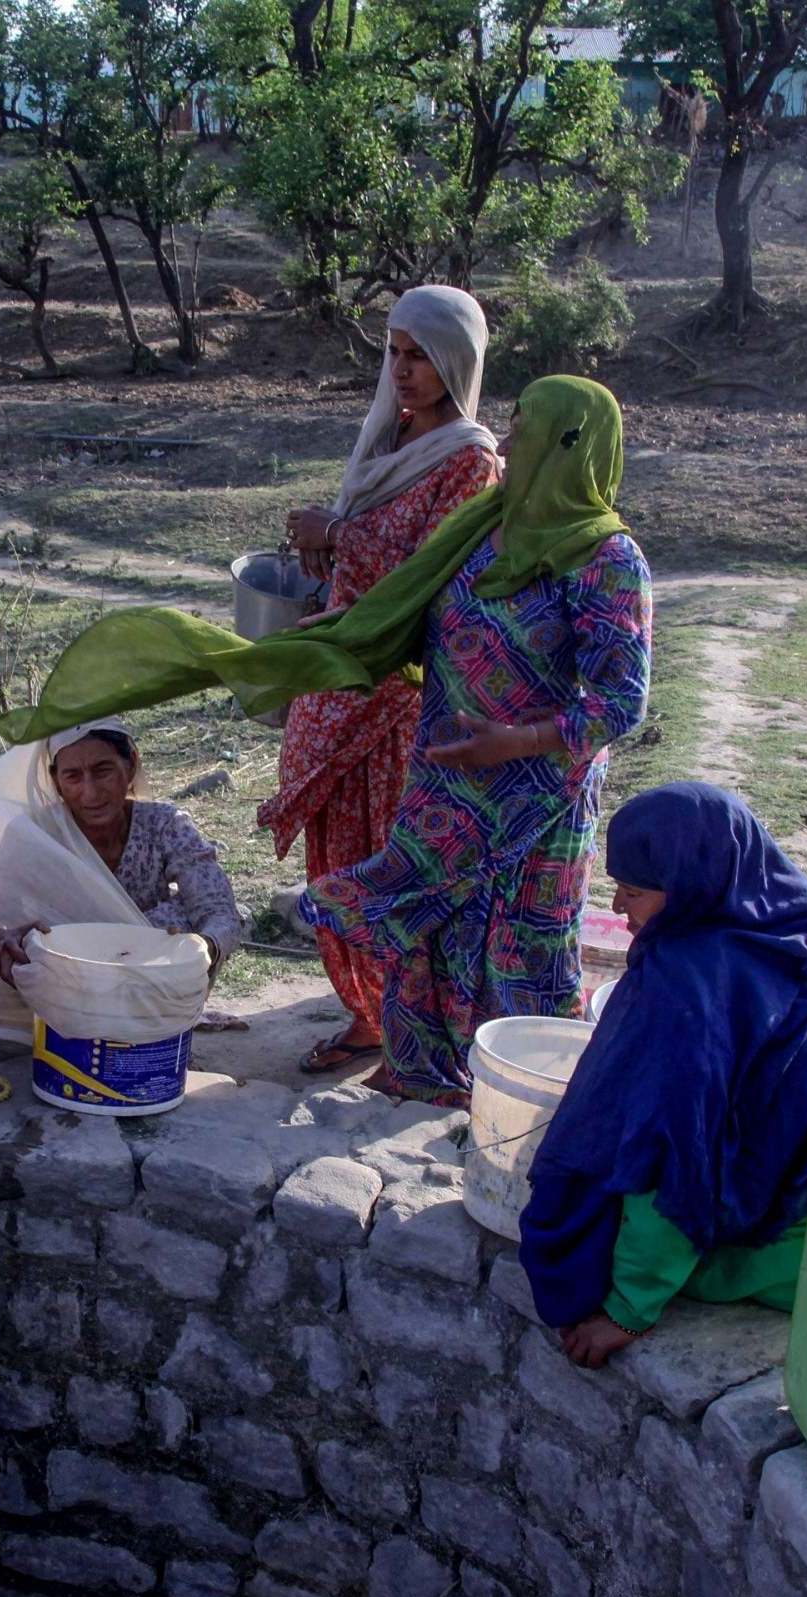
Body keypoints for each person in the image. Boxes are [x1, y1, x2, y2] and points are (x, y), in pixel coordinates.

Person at [298, 375, 653, 1102]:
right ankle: (417, 1072)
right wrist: (344, 639)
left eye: (525, 429)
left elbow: (619, 701)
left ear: (570, 445)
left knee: (522, 941)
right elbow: (412, 614)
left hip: (534, 800)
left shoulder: (605, 559)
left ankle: (522, 1092)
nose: (509, 439)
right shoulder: (479, 527)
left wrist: (515, 740)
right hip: (446, 778)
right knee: (426, 929)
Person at [518, 784, 807, 1367]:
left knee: (617, 1211)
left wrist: (628, 1309)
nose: (616, 907)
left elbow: (673, 1156)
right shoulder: (800, 918)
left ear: (687, 889)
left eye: (633, 891)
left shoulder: (684, 987)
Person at [259, 286, 502, 1078]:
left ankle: (409, 1031)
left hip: (399, 695)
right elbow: (363, 566)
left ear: (455, 361)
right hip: (334, 676)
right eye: (393, 350)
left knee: (389, 860)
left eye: (419, 354)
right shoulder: (385, 436)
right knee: (332, 855)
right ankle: (365, 1012)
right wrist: (324, 576)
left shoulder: (469, 461)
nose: (401, 369)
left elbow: (436, 576)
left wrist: (339, 535)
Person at [0, 720, 242, 1007]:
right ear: (56, 781)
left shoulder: (165, 825)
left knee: (179, 921)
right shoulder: (34, 837)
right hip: (59, 994)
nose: (91, 793)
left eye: (102, 771)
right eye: (72, 776)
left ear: (130, 766)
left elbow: (220, 912)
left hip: (146, 986)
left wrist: (201, 950)